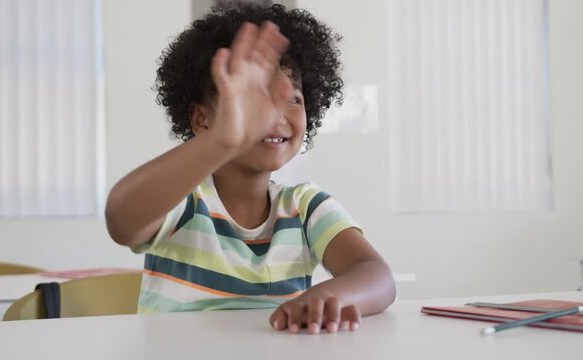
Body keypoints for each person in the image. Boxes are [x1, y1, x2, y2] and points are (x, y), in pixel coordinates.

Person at [105, 3, 396, 335]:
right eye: (253, 98)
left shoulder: (304, 207)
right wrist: (221, 141)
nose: (275, 114)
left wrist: (327, 295)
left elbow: (377, 276)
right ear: (202, 119)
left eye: (294, 99)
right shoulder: (186, 199)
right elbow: (122, 219)